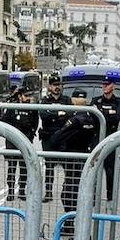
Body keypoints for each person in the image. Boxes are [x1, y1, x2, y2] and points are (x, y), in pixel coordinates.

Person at [54, 89, 100, 237]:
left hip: (73, 160)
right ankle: (71, 226)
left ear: (73, 101)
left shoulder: (75, 120)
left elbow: (57, 138)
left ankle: (78, 229)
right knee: (80, 193)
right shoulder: (92, 118)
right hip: (86, 159)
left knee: (69, 194)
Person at [93, 76, 120, 201]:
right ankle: (93, 196)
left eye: (107, 84)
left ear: (113, 86)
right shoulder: (96, 100)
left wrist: (102, 113)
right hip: (97, 140)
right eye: (103, 84)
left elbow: (119, 116)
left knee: (110, 170)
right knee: (94, 169)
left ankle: (110, 195)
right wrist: (109, 114)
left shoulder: (119, 101)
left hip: (111, 140)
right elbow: (94, 117)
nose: (104, 86)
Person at [2, 89, 39, 201]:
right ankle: (11, 191)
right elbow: (4, 121)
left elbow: (35, 123)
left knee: (24, 167)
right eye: (25, 96)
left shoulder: (32, 108)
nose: (28, 98)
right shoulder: (12, 107)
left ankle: (22, 190)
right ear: (20, 96)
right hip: (13, 142)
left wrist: (31, 136)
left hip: (25, 140)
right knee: (12, 167)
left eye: (29, 96)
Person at [37, 75, 69, 203]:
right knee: (49, 166)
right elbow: (44, 114)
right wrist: (58, 114)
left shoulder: (66, 100)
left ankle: (67, 190)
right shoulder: (45, 101)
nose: (57, 87)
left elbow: (70, 114)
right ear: (49, 86)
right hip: (49, 137)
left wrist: (54, 115)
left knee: (67, 165)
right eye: (55, 85)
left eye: (59, 85)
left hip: (63, 136)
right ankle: (48, 192)